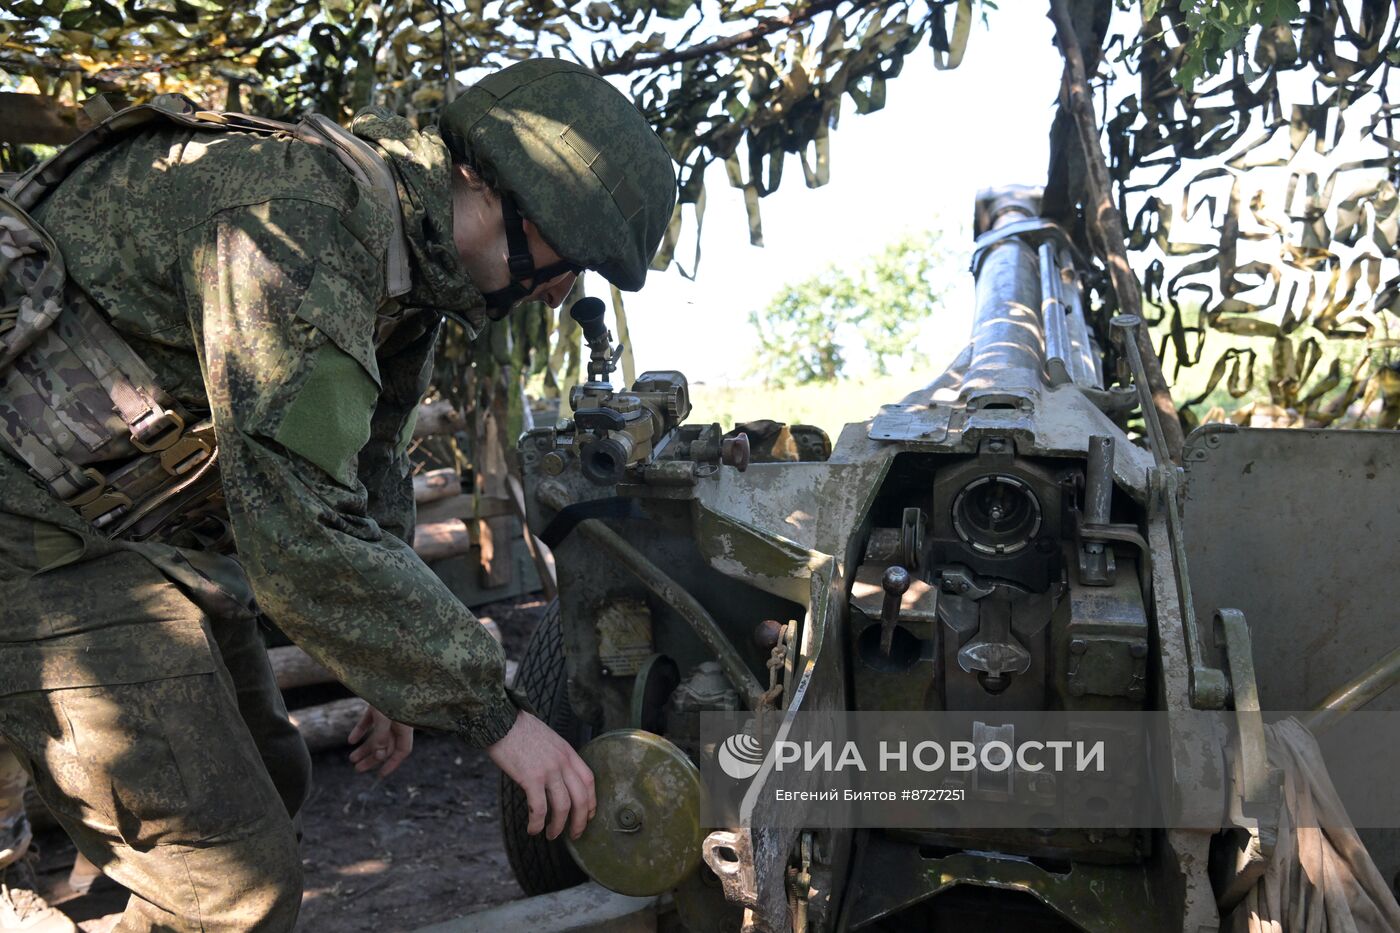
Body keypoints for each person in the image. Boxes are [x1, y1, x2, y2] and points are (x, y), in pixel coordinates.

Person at [0, 57, 677, 931]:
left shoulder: (407, 271)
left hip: (125, 529)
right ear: (494, 189)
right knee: (228, 893)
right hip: (31, 533)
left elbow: (368, 486)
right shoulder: (299, 232)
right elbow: (301, 537)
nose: (559, 295)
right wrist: (494, 714)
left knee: (272, 775)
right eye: (566, 259)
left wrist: (396, 678)